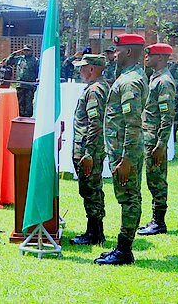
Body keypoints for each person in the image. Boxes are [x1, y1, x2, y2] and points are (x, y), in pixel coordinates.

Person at [95, 34, 148, 266]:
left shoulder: (129, 82)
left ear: (128, 52)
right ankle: (122, 247)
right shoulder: (128, 76)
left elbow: (133, 122)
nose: (113, 55)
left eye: (117, 50)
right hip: (121, 149)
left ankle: (124, 251)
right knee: (128, 196)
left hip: (125, 151)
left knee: (129, 198)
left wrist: (126, 158)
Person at [68, 55, 110, 246]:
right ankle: (94, 230)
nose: (80, 71)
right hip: (89, 148)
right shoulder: (98, 87)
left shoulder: (95, 90)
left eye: (83, 68)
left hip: (88, 149)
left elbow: (95, 123)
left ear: (92, 69)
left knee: (90, 190)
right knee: (91, 189)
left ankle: (94, 233)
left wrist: (89, 153)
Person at [138, 43, 177, 237]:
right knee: (152, 179)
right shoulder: (154, 78)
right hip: (149, 136)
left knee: (157, 180)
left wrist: (161, 145)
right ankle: (155, 219)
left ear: (160, 57)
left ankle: (159, 221)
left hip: (155, 140)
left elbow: (167, 116)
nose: (146, 58)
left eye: (150, 55)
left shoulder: (164, 82)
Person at [3, 46, 39, 117]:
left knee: (28, 102)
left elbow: (38, 71)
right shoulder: (19, 59)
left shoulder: (35, 60)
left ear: (31, 51)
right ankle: (20, 117)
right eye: (25, 50)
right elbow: (8, 62)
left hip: (30, 84)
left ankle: (28, 117)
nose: (26, 52)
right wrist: (14, 53)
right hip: (20, 84)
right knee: (20, 102)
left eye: (28, 50)